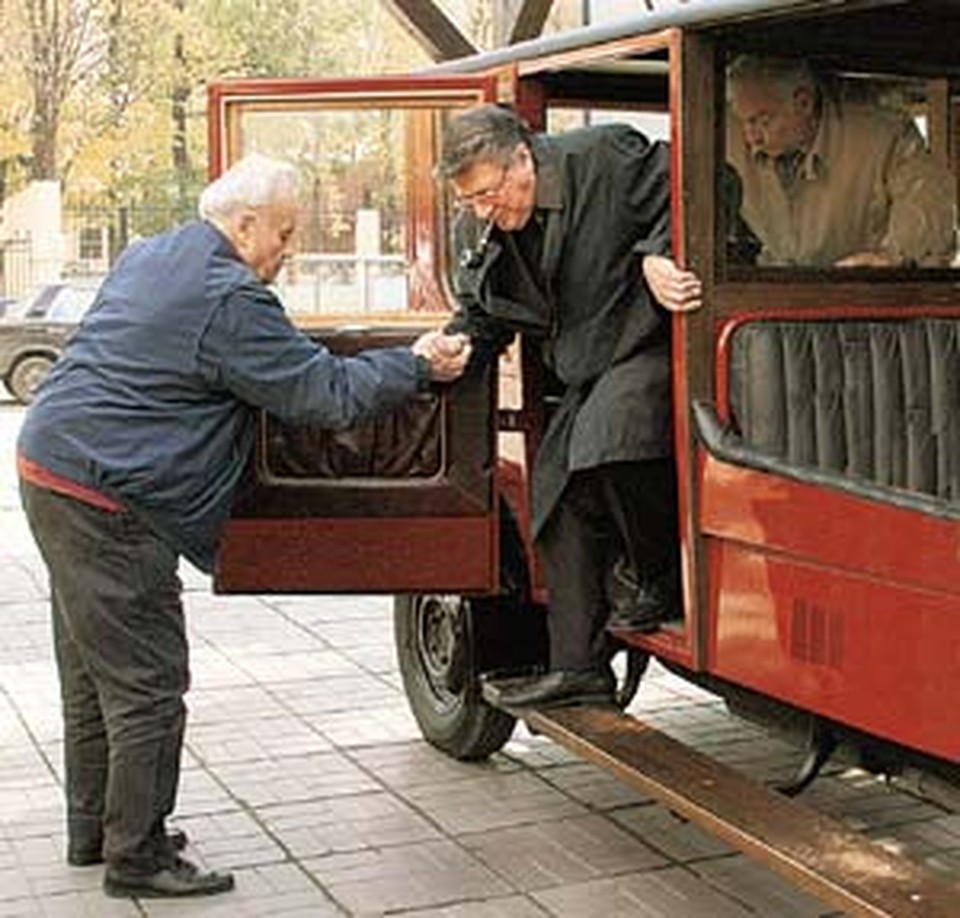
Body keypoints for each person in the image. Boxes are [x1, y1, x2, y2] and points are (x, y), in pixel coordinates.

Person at [16, 153, 470, 899]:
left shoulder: (153, 253)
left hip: (51, 462)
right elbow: (323, 394)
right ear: (244, 223)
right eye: (284, 234)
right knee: (148, 684)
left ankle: (97, 826)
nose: (288, 251)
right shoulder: (229, 297)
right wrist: (417, 366)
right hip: (109, 495)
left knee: (90, 671)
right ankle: (139, 856)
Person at [437, 105, 702, 709]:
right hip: (586, 365)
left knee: (611, 437)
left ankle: (660, 577)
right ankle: (579, 666)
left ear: (522, 157)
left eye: (489, 193)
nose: (482, 212)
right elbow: (484, 315)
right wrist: (455, 345)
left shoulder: (606, 155)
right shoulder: (478, 223)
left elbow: (706, 181)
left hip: (654, 344)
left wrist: (657, 253)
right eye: (470, 200)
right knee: (552, 493)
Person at [726, 54, 956, 268]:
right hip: (770, 295)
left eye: (762, 122)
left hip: (862, 296)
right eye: (743, 121)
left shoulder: (883, 135)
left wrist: (894, 257)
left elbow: (928, 202)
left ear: (803, 102)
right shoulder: (725, 131)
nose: (751, 138)